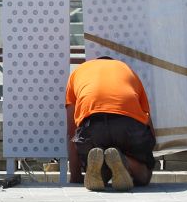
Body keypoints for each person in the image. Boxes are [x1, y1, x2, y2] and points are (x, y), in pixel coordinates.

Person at [66, 57, 155, 191]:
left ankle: (99, 171)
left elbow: (72, 132)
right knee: (144, 176)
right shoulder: (127, 70)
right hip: (127, 124)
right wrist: (147, 155)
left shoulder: (77, 72)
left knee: (99, 159)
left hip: (93, 125)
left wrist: (75, 176)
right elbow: (147, 120)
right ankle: (124, 161)